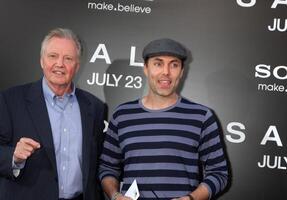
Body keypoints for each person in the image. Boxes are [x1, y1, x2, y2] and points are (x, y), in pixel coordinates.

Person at [99, 38, 229, 200]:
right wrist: (115, 195)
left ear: (182, 71)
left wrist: (191, 199)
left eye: (174, 65)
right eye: (158, 63)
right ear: (146, 68)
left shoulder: (202, 117)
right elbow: (107, 168)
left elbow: (219, 173)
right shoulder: (122, 115)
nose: (166, 72)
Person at [0, 28, 105, 200]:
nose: (60, 64)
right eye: (53, 56)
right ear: (42, 61)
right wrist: (14, 157)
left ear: (77, 66)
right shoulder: (10, 100)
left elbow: (96, 164)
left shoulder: (94, 107)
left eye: (68, 58)